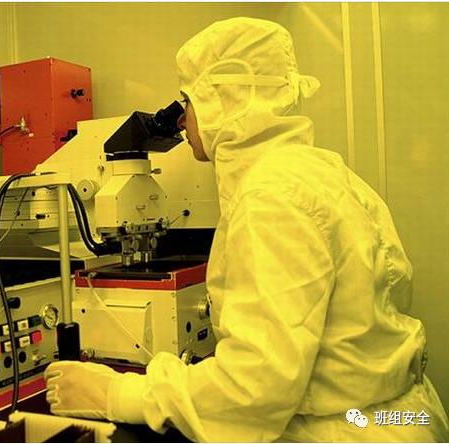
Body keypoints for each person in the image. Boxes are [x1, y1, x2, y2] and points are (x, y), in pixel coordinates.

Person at [44, 17, 449, 442]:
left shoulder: (270, 198)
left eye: (189, 100)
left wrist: (119, 393)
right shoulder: (322, 172)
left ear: (223, 99)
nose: (181, 121)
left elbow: (254, 389)